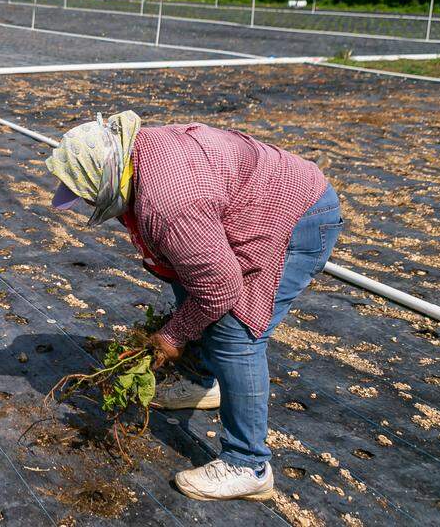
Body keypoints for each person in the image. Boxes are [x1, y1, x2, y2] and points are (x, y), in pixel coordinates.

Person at [46, 111, 343, 502]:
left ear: (109, 176)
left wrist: (172, 335)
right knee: (195, 290)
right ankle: (203, 383)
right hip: (262, 197)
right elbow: (197, 272)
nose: (86, 203)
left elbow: (220, 287)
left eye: (87, 195)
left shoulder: (170, 203)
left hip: (296, 216)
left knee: (237, 335)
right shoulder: (138, 158)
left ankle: (248, 464)